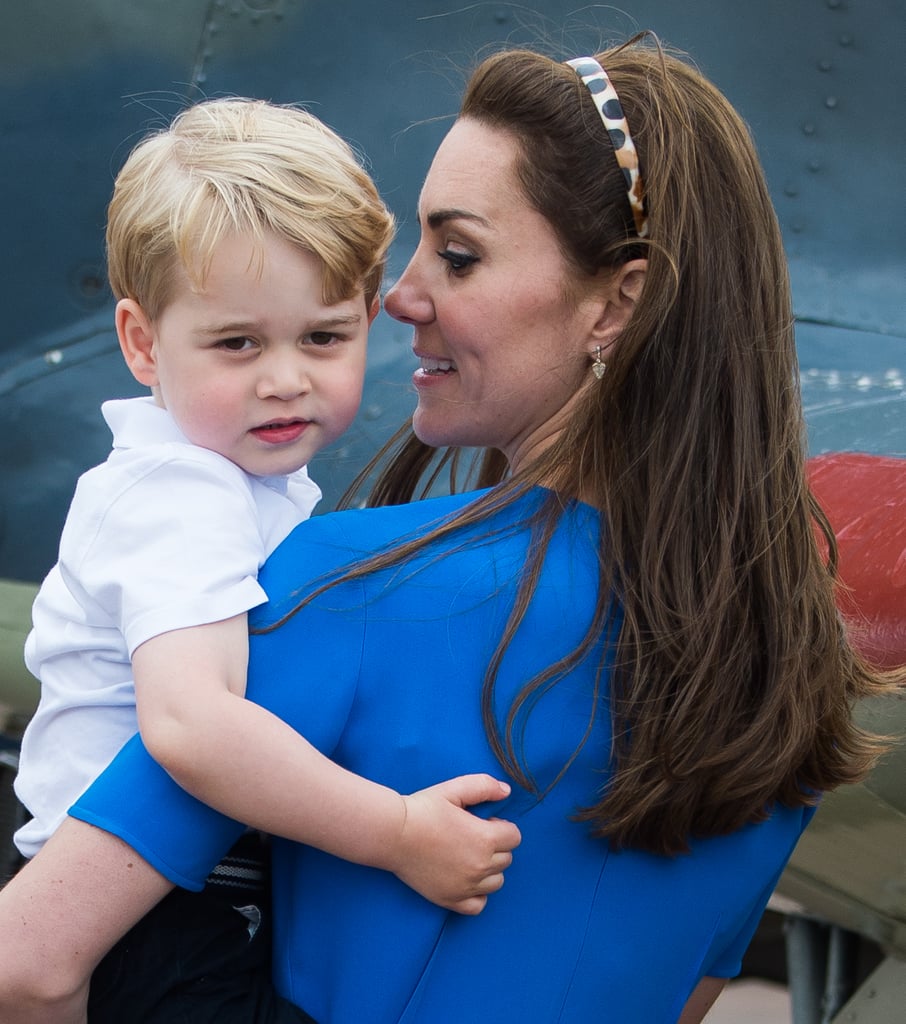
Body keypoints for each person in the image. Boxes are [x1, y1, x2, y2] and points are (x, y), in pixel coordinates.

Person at [0, 34, 898, 1024]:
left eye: (458, 254)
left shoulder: (347, 591)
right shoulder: (786, 679)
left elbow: (31, 963)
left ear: (618, 302)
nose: (399, 296)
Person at [5, 97, 520, 1021]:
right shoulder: (177, 493)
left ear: (369, 317)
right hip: (151, 914)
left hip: (197, 889)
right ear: (141, 343)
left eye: (323, 337)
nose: (285, 377)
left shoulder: (248, 484)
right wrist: (397, 832)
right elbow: (193, 726)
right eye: (238, 343)